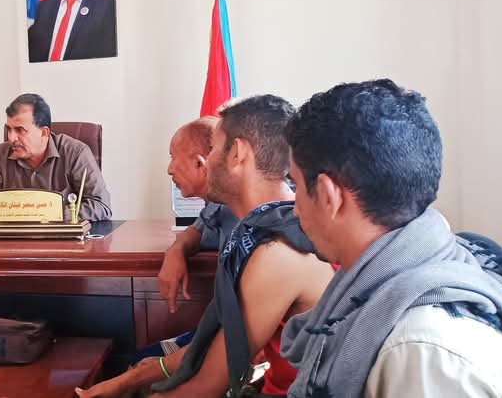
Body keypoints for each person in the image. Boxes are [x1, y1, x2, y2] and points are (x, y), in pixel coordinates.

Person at [282, 79, 502, 397]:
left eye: (295, 186)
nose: (294, 208)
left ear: (329, 196)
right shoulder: (396, 276)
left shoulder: (424, 353)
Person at [79, 95, 334, 398]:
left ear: (237, 153)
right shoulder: (275, 226)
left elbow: (206, 386)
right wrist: (128, 381)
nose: (206, 161)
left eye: (213, 148)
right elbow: (212, 352)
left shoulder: (277, 251)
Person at [0, 93, 111, 221]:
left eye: (20, 130)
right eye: (9, 129)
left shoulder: (75, 152)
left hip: (62, 238)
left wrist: (48, 214)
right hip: (14, 238)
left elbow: (101, 206)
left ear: (44, 133)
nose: (11, 138)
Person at [158, 116, 237, 311]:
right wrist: (176, 250)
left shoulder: (239, 210)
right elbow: (197, 231)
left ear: (200, 164)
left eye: (173, 157)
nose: (169, 170)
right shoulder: (217, 205)